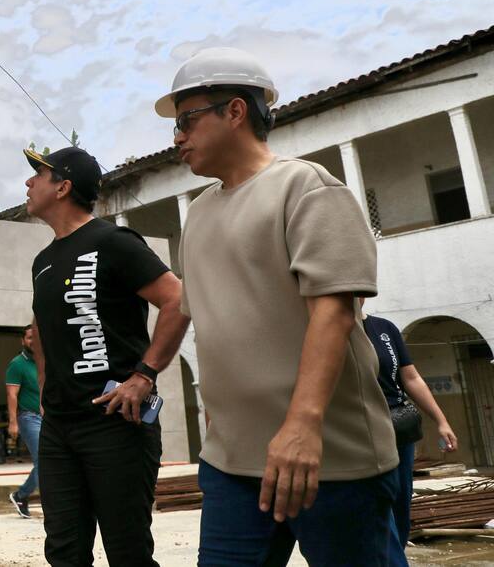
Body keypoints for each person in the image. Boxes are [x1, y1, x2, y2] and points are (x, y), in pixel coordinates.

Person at [159, 47, 400, 565]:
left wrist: (302, 426)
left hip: (327, 458)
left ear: (235, 111)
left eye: (186, 120)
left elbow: (334, 313)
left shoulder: (306, 187)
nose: (177, 137)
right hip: (230, 462)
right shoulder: (197, 216)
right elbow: (214, 326)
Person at [23, 145, 190, 566]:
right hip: (59, 427)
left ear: (63, 187)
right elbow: (41, 328)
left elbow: (177, 299)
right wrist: (44, 383)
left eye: (37, 175)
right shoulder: (43, 261)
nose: (28, 182)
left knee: (127, 552)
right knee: (64, 552)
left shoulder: (113, 242)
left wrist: (144, 375)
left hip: (115, 422)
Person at [360, 299, 458, 562]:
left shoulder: (385, 328)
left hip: (398, 427)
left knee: (401, 501)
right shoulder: (332, 329)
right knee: (378, 501)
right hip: (361, 429)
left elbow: (411, 378)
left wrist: (441, 421)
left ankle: (394, 555)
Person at [5, 323, 41, 518]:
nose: (33, 341)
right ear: (23, 340)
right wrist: (13, 422)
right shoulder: (17, 364)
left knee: (50, 460)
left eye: (36, 337)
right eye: (29, 337)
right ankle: (22, 495)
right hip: (29, 417)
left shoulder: (44, 361)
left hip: (47, 418)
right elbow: (12, 395)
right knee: (43, 460)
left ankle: (21, 495)